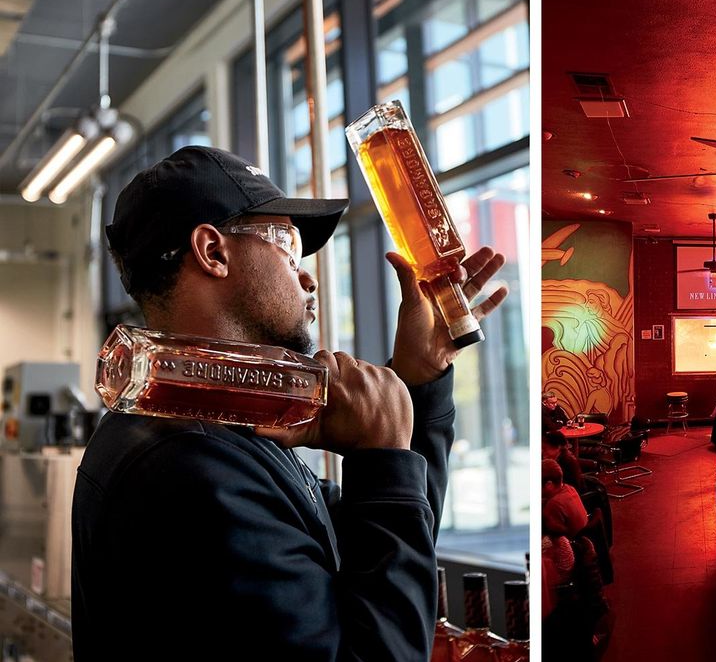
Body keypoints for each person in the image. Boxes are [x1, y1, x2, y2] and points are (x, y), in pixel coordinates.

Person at [71, 146, 507, 661]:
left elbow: (387, 551)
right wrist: (382, 453)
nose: (309, 277)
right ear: (212, 252)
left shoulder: (222, 428)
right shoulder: (188, 465)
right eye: (288, 245)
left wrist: (420, 377)